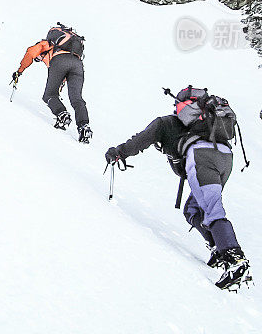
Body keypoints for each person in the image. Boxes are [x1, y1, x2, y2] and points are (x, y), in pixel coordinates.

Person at [104, 87, 251, 290]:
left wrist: (119, 152)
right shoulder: (208, 124)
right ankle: (219, 249)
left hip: (201, 157)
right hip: (225, 157)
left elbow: (140, 140)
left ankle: (235, 261)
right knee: (193, 209)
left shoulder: (165, 123)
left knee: (212, 208)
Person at [11, 23, 92, 143]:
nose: (39, 60)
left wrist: (19, 71)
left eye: (39, 59)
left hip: (60, 61)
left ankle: (62, 115)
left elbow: (31, 52)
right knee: (77, 99)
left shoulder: (47, 43)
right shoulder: (68, 46)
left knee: (49, 95)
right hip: (77, 64)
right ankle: (84, 127)